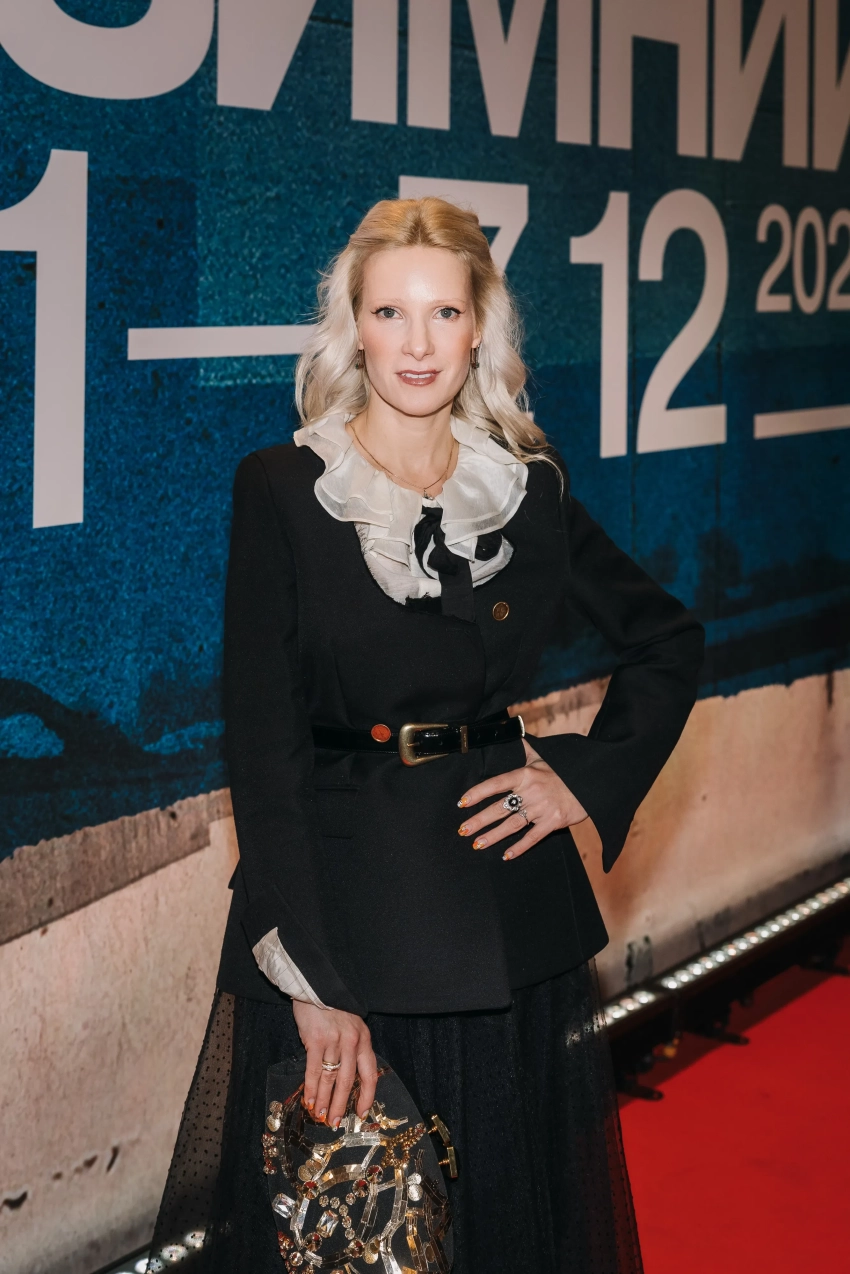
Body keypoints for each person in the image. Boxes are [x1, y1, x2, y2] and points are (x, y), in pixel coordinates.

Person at [148, 197, 704, 1274]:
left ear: (478, 328)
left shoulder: (525, 490)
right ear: (353, 327)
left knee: (507, 1236)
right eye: (390, 312)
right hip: (343, 929)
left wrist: (578, 780)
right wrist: (315, 986)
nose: (417, 343)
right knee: (343, 1242)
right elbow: (263, 753)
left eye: (444, 313)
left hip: (505, 928)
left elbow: (667, 639)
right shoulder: (283, 488)